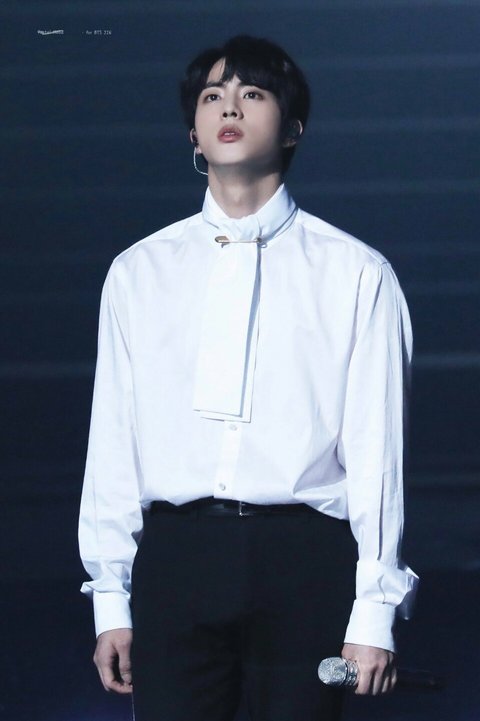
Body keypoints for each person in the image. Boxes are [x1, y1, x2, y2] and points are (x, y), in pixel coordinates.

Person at [78, 35, 419, 721]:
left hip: (304, 559)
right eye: (213, 96)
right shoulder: (139, 271)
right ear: (194, 135)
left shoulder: (356, 272)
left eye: (252, 93)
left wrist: (374, 609)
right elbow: (113, 442)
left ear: (293, 129)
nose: (229, 107)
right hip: (176, 557)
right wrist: (110, 596)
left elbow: (378, 455)